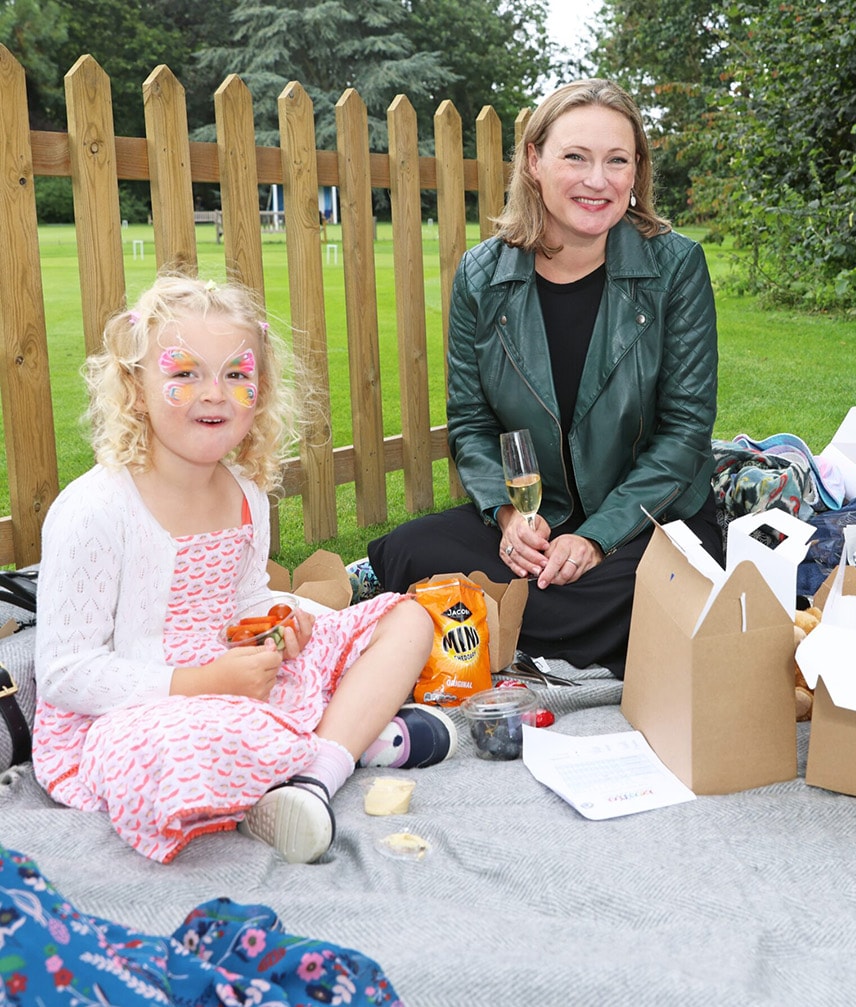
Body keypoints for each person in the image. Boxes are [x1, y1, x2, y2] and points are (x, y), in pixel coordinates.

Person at [33, 275, 455, 866]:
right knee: (176, 752)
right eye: (184, 373)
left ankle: (314, 775)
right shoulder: (96, 509)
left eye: (237, 374)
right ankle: (346, 739)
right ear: (134, 388)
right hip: (139, 709)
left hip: (241, 678)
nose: (215, 394)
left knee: (407, 618)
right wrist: (203, 684)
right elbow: (63, 673)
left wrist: (283, 620)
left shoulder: (244, 492)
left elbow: (246, 597)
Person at [367, 79, 721, 677]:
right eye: (575, 157)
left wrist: (595, 538)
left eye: (617, 160)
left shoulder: (675, 266)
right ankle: (556, 633)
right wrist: (510, 520)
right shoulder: (484, 274)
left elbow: (685, 433)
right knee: (407, 547)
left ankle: (488, 622)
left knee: (660, 587)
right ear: (534, 160)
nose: (597, 180)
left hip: (648, 520)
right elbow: (473, 424)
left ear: (637, 172)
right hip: (538, 521)